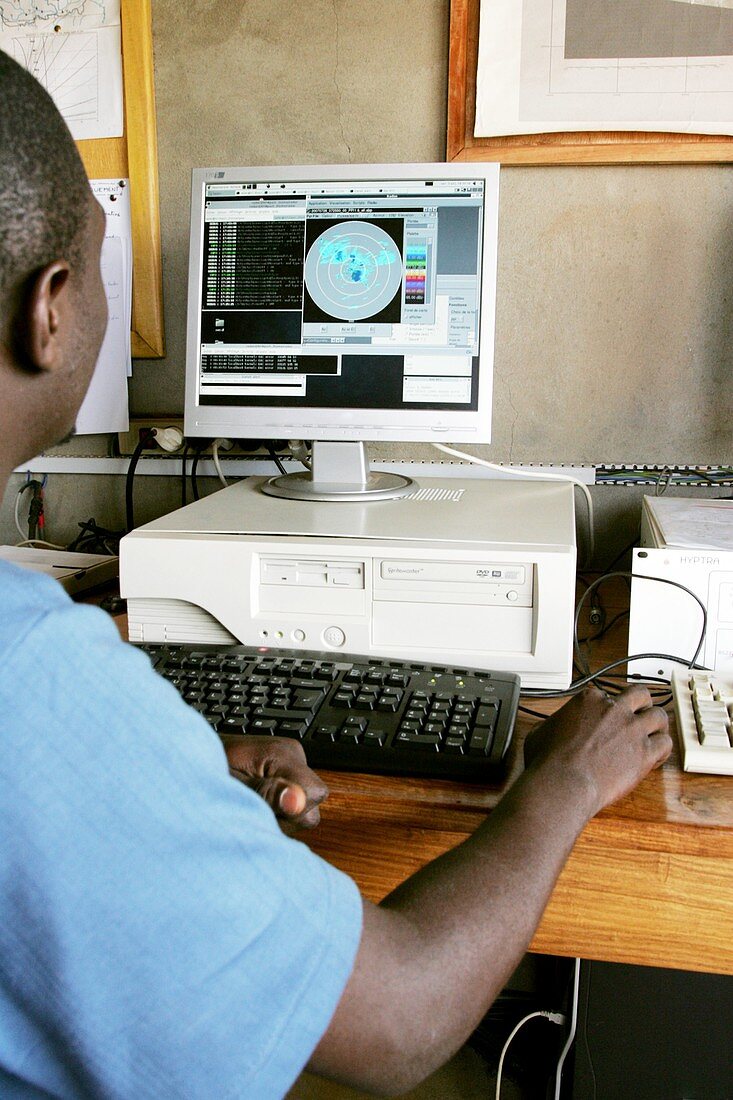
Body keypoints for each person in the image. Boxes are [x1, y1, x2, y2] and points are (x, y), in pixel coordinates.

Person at [0, 49, 672, 1099]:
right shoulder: (31, 677)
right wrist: (562, 782)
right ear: (49, 307)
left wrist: (173, 771)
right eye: (98, 262)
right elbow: (402, 1024)